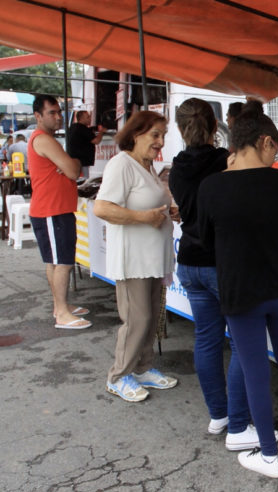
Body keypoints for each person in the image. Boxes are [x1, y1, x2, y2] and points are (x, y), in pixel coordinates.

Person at [198, 102, 278, 478]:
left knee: (255, 369)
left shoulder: (211, 186)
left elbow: (206, 237)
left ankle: (269, 455)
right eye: (275, 147)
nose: (277, 154)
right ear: (264, 142)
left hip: (241, 289)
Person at [169, 98, 261, 450]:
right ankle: (238, 426)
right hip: (221, 263)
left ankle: (219, 415)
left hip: (189, 262)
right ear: (216, 126)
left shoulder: (177, 168)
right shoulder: (226, 162)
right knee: (240, 342)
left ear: (180, 129)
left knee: (206, 339)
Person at [94, 111, 178, 403]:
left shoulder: (147, 166)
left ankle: (142, 367)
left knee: (150, 316)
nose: (160, 141)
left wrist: (168, 212)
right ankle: (118, 375)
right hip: (133, 260)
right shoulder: (122, 165)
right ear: (135, 134)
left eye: (163, 135)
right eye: (155, 134)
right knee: (137, 319)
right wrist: (143, 217)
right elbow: (102, 208)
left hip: (152, 259)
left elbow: (150, 202)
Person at [27, 94, 91, 330]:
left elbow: (70, 168)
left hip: (53, 209)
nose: (58, 117)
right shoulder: (43, 139)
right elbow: (74, 170)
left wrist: (67, 164)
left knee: (55, 262)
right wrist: (69, 163)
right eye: (52, 113)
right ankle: (62, 313)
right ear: (38, 116)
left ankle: (60, 306)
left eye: (59, 112)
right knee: (62, 262)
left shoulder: (45, 140)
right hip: (51, 210)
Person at [67, 110, 105, 179]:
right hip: (82, 162)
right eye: (88, 117)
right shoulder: (82, 128)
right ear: (81, 118)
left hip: (74, 161)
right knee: (84, 181)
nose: (90, 119)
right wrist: (101, 132)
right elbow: (96, 141)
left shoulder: (73, 127)